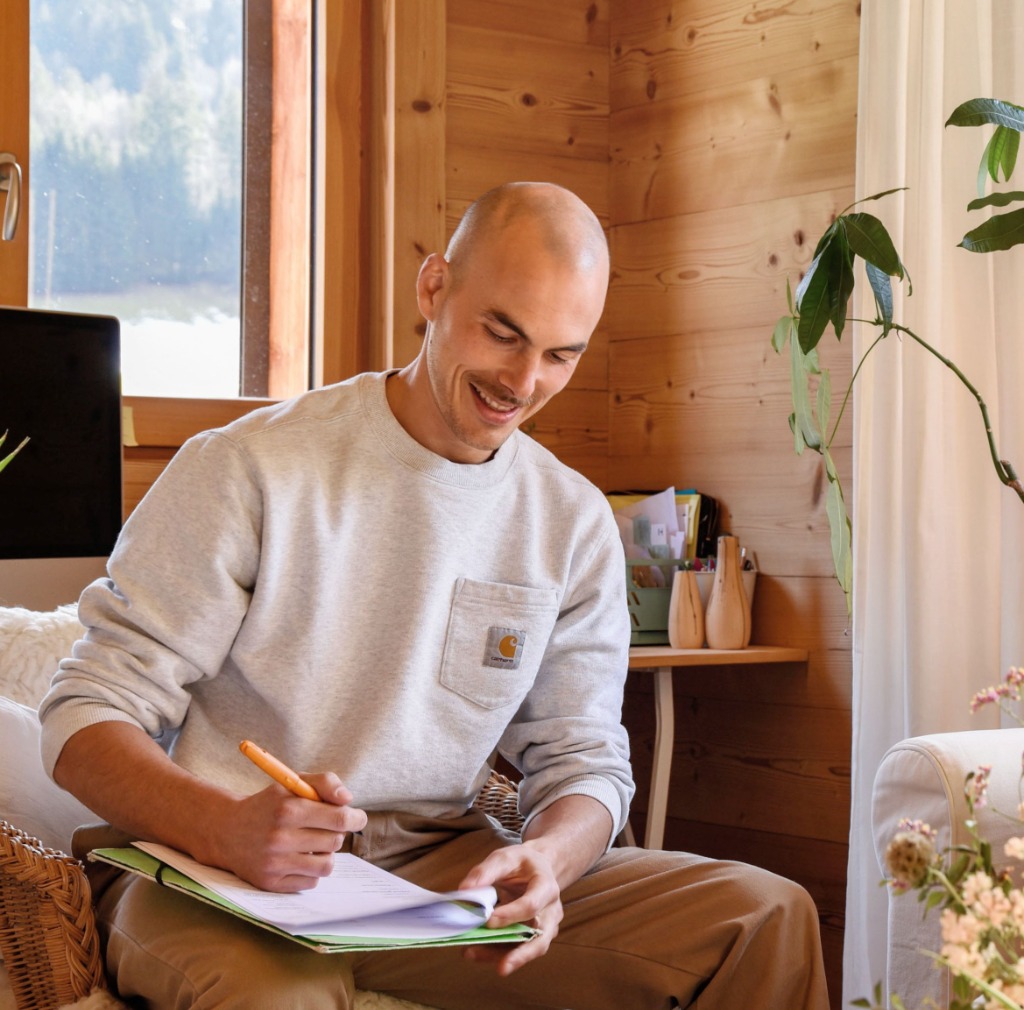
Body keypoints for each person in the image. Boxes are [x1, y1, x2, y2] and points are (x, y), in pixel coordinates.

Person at [39, 181, 830, 1010]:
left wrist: (550, 862)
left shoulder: (571, 522)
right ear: (433, 288)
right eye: (503, 332)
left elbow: (586, 761)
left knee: (764, 915)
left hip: (438, 877)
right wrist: (223, 830)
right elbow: (82, 716)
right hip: (214, 875)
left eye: (562, 355)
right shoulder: (249, 468)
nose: (523, 382)